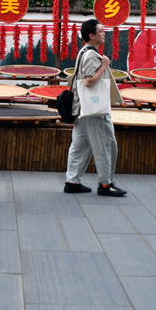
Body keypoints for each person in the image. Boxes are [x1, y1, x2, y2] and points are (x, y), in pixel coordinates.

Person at [64, 19, 127, 197]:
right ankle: (106, 184)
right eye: (100, 31)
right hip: (93, 109)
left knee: (80, 146)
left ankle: (72, 181)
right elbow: (89, 81)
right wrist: (105, 65)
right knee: (106, 145)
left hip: (81, 108)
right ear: (91, 35)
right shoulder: (92, 55)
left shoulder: (83, 51)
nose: (103, 33)